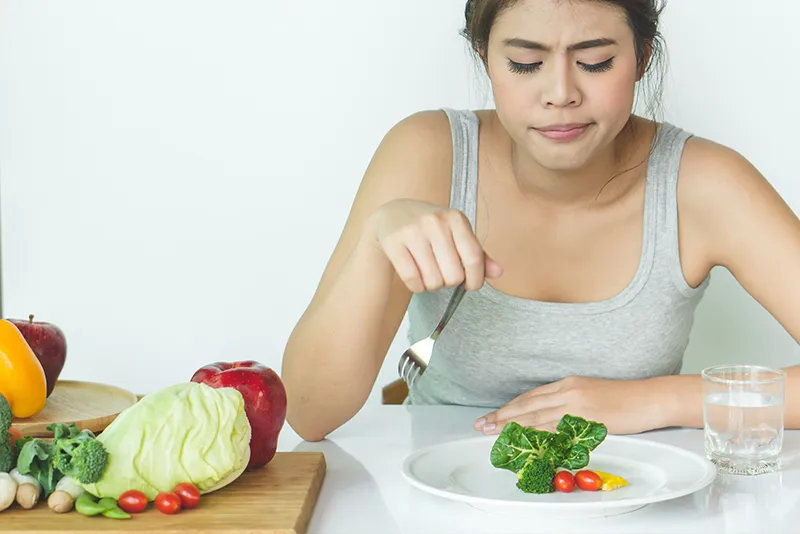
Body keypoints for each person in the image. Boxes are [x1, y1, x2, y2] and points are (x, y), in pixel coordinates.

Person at [281, 0, 800, 442]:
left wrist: (654, 401)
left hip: (635, 499)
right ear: (485, 57)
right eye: (526, 63)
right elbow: (310, 413)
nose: (560, 93)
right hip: (438, 501)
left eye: (595, 61)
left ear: (642, 56)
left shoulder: (704, 181)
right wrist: (380, 237)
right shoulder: (428, 152)